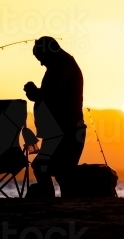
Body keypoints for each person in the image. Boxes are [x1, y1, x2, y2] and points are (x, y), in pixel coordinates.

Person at [23, 37, 85, 198]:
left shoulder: (62, 65)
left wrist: (34, 92)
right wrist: (36, 94)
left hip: (67, 131)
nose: (41, 64)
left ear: (48, 52)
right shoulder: (61, 64)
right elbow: (49, 95)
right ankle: (57, 200)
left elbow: (51, 95)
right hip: (62, 131)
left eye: (41, 58)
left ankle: (49, 197)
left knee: (46, 167)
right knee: (59, 172)